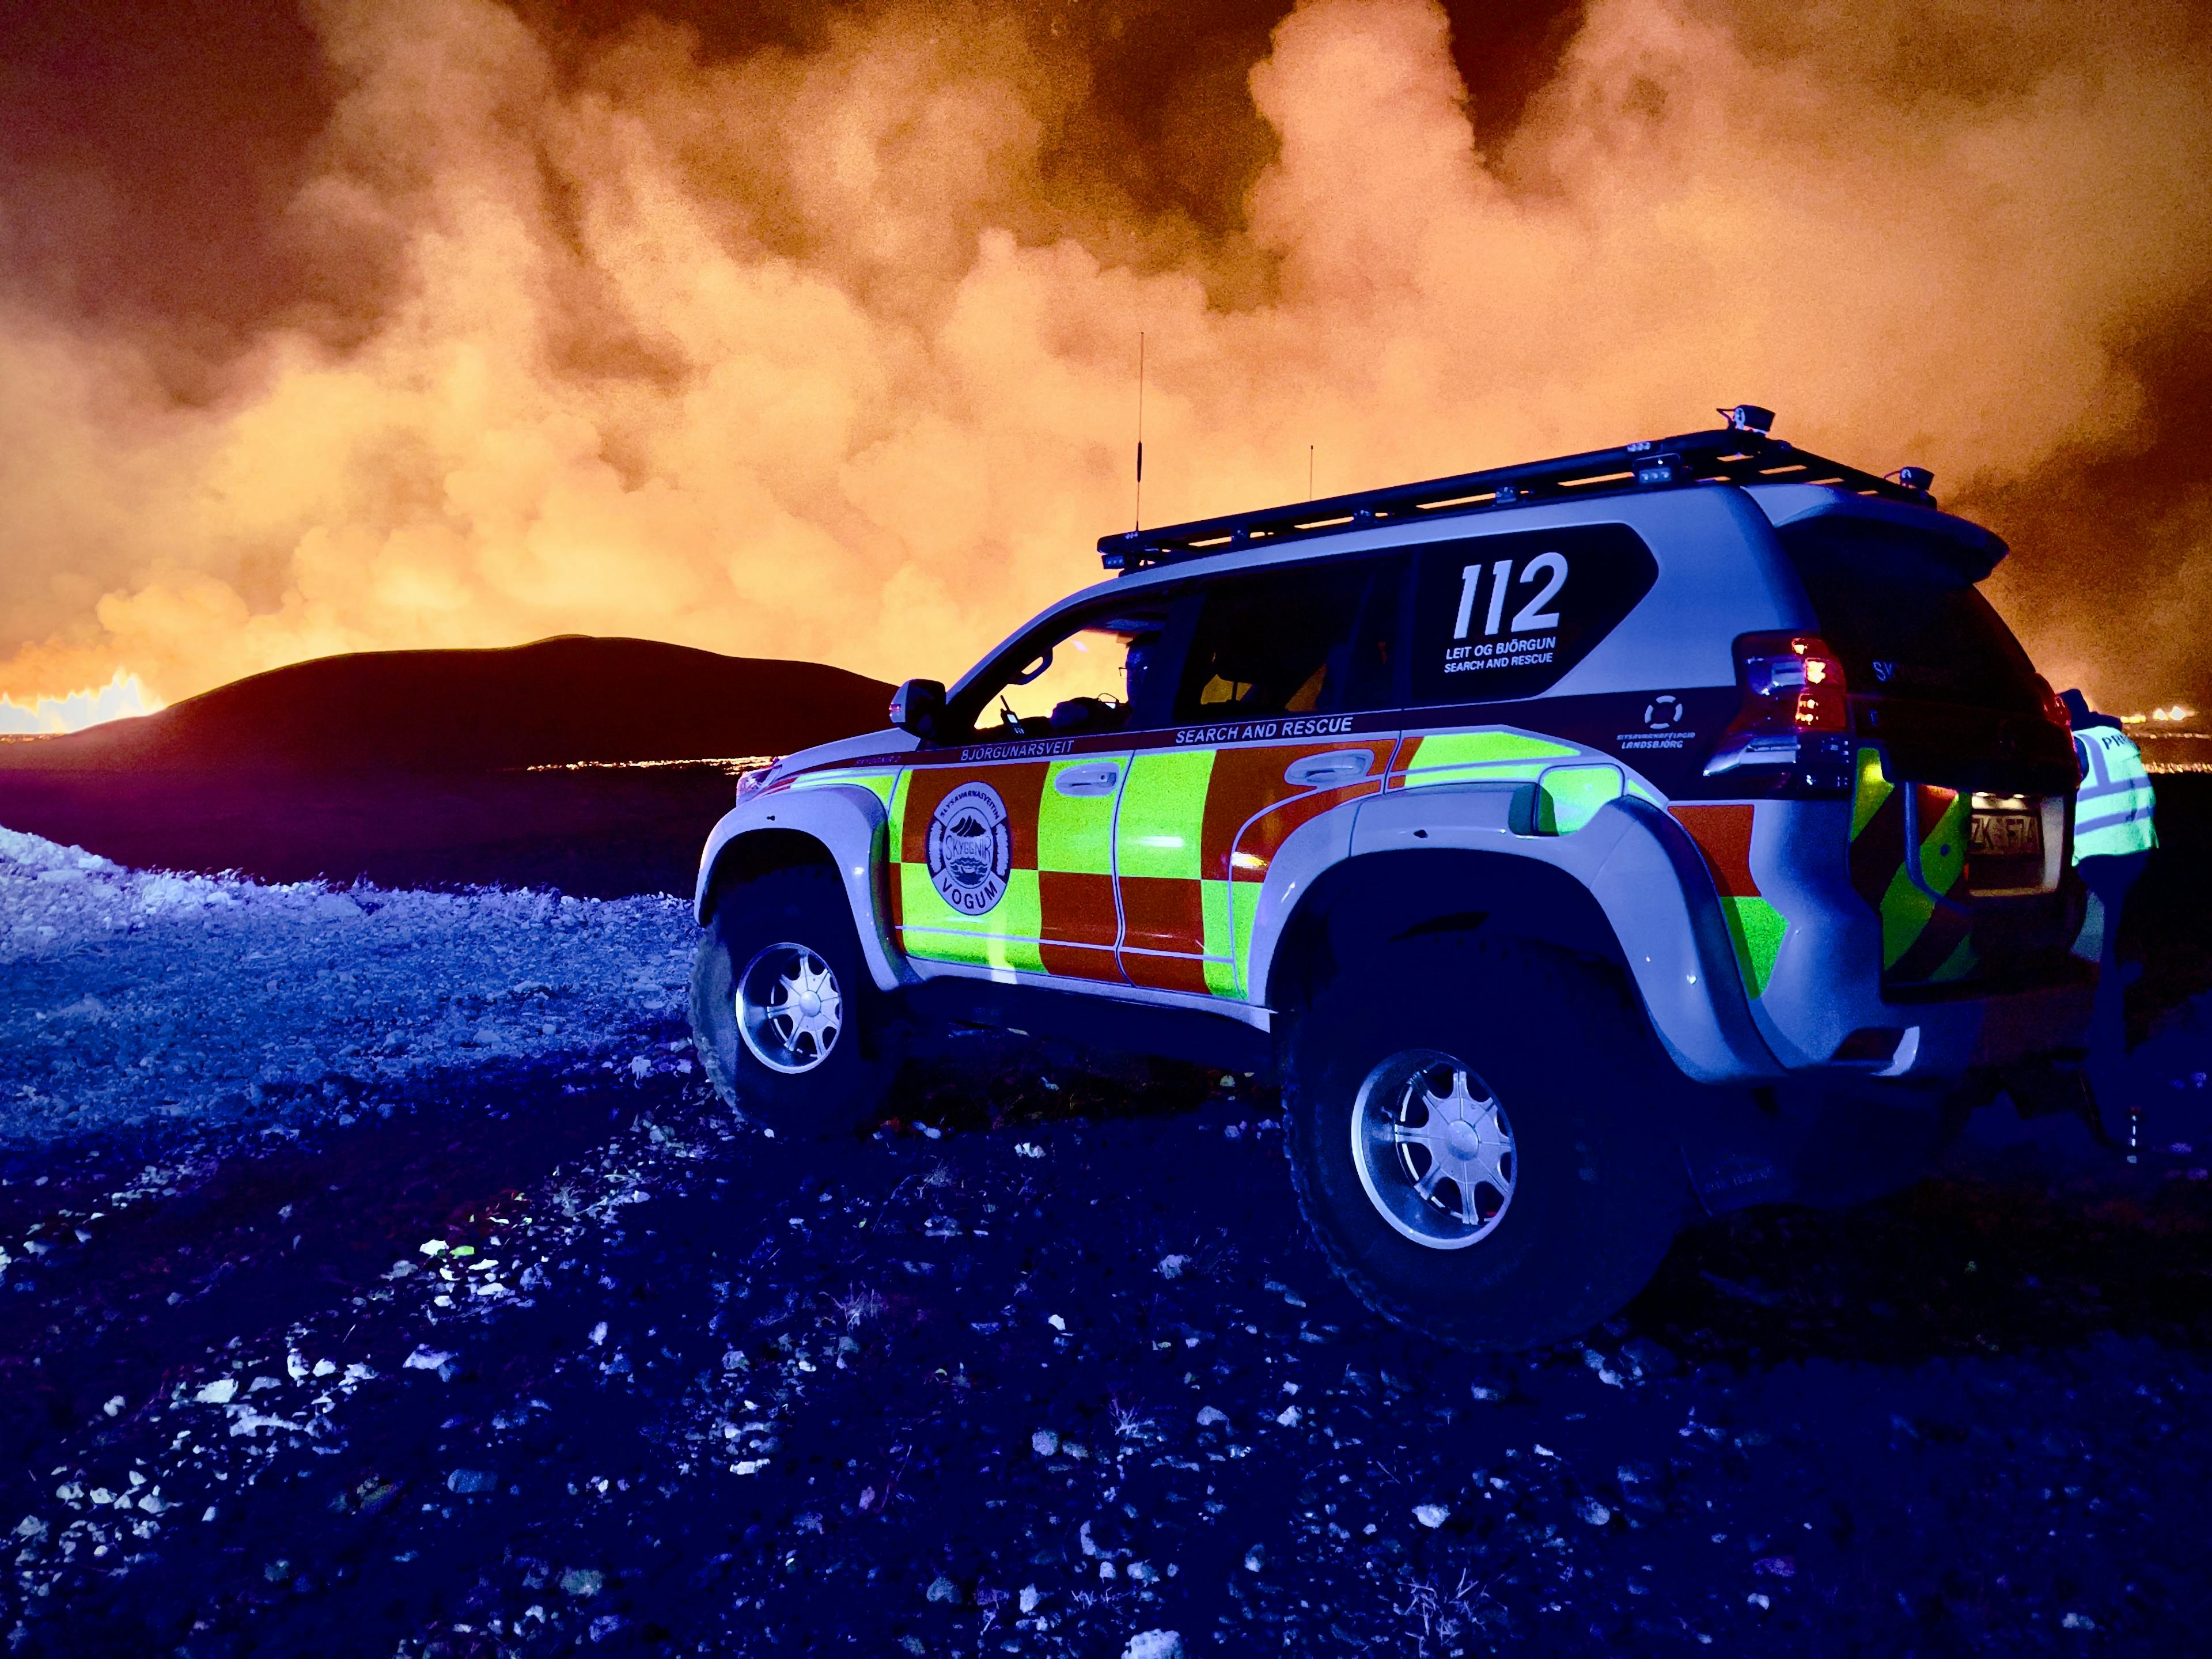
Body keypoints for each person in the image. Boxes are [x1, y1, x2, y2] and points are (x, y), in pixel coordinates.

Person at [2063, 688, 2158, 1131]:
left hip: (2100, 858)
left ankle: (2099, 1039)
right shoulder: (2115, 739)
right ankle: (2109, 1015)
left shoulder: (2077, 744)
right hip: (2133, 851)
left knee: (2092, 952)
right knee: (2111, 941)